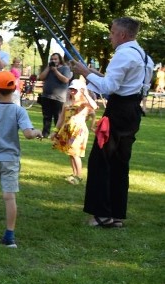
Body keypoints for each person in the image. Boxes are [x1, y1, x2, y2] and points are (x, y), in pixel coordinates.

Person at [72, 17, 153, 228]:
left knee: (102, 160)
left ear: (122, 35)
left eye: (112, 32)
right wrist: (92, 73)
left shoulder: (123, 55)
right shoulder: (145, 57)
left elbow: (109, 87)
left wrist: (85, 73)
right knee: (120, 162)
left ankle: (102, 215)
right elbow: (122, 84)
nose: (110, 36)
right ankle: (116, 213)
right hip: (133, 111)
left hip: (117, 111)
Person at [0, 71, 43, 247]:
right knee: (9, 197)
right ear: (14, 90)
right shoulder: (19, 111)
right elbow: (28, 134)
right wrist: (37, 132)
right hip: (10, 159)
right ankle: (9, 236)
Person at [52, 80, 98, 185]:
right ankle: (74, 174)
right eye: (71, 89)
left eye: (75, 90)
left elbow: (94, 107)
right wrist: (55, 131)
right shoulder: (67, 103)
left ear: (80, 90)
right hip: (67, 130)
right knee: (70, 153)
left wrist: (86, 94)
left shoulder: (84, 103)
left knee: (75, 153)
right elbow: (61, 119)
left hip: (78, 131)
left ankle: (79, 176)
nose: (72, 91)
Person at [38, 53, 72, 136]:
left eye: (55, 59)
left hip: (59, 98)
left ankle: (58, 134)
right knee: (46, 117)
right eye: (52, 59)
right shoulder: (49, 68)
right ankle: (45, 133)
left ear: (60, 60)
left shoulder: (65, 68)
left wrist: (55, 71)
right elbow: (41, 77)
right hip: (46, 96)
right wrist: (48, 68)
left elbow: (65, 80)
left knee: (58, 117)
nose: (53, 61)